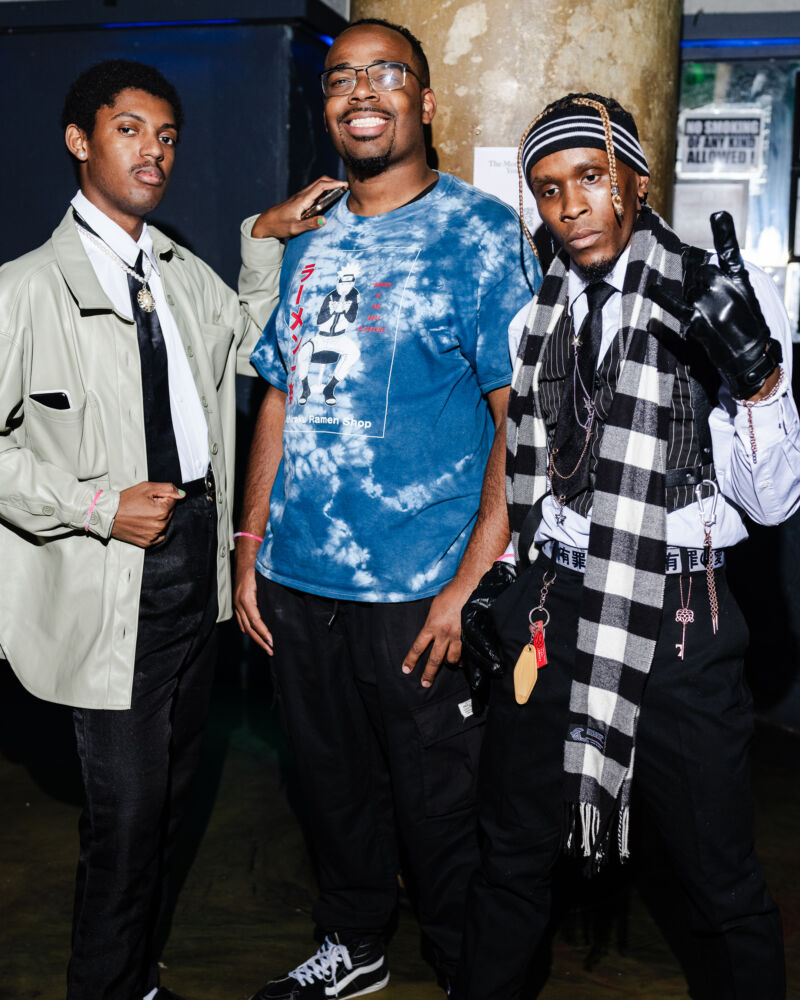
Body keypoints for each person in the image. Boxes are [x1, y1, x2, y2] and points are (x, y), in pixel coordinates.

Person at [0, 58, 338, 1000]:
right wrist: (99, 507)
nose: (154, 152)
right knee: (127, 817)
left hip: (195, 562)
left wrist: (263, 239)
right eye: (130, 130)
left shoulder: (182, 274)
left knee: (174, 798)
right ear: (80, 141)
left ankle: (136, 979)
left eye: (168, 137)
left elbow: (256, 344)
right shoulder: (24, 289)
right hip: (110, 575)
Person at [456, 92, 799, 999]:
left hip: (681, 616)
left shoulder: (716, 295)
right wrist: (502, 578)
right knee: (511, 857)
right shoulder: (536, 313)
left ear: (637, 181)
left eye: (592, 177)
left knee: (718, 881)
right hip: (556, 602)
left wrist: (757, 380)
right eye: (549, 188)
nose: (571, 205)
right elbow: (529, 472)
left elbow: (772, 503)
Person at [234, 17, 538, 1000]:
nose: (360, 91)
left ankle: (465, 969)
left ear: (425, 101)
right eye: (340, 78)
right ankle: (355, 940)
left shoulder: (480, 235)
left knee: (441, 805)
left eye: (385, 74)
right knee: (330, 788)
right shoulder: (309, 234)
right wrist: (249, 545)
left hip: (420, 587)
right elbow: (279, 393)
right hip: (296, 580)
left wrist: (469, 581)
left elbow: (520, 423)